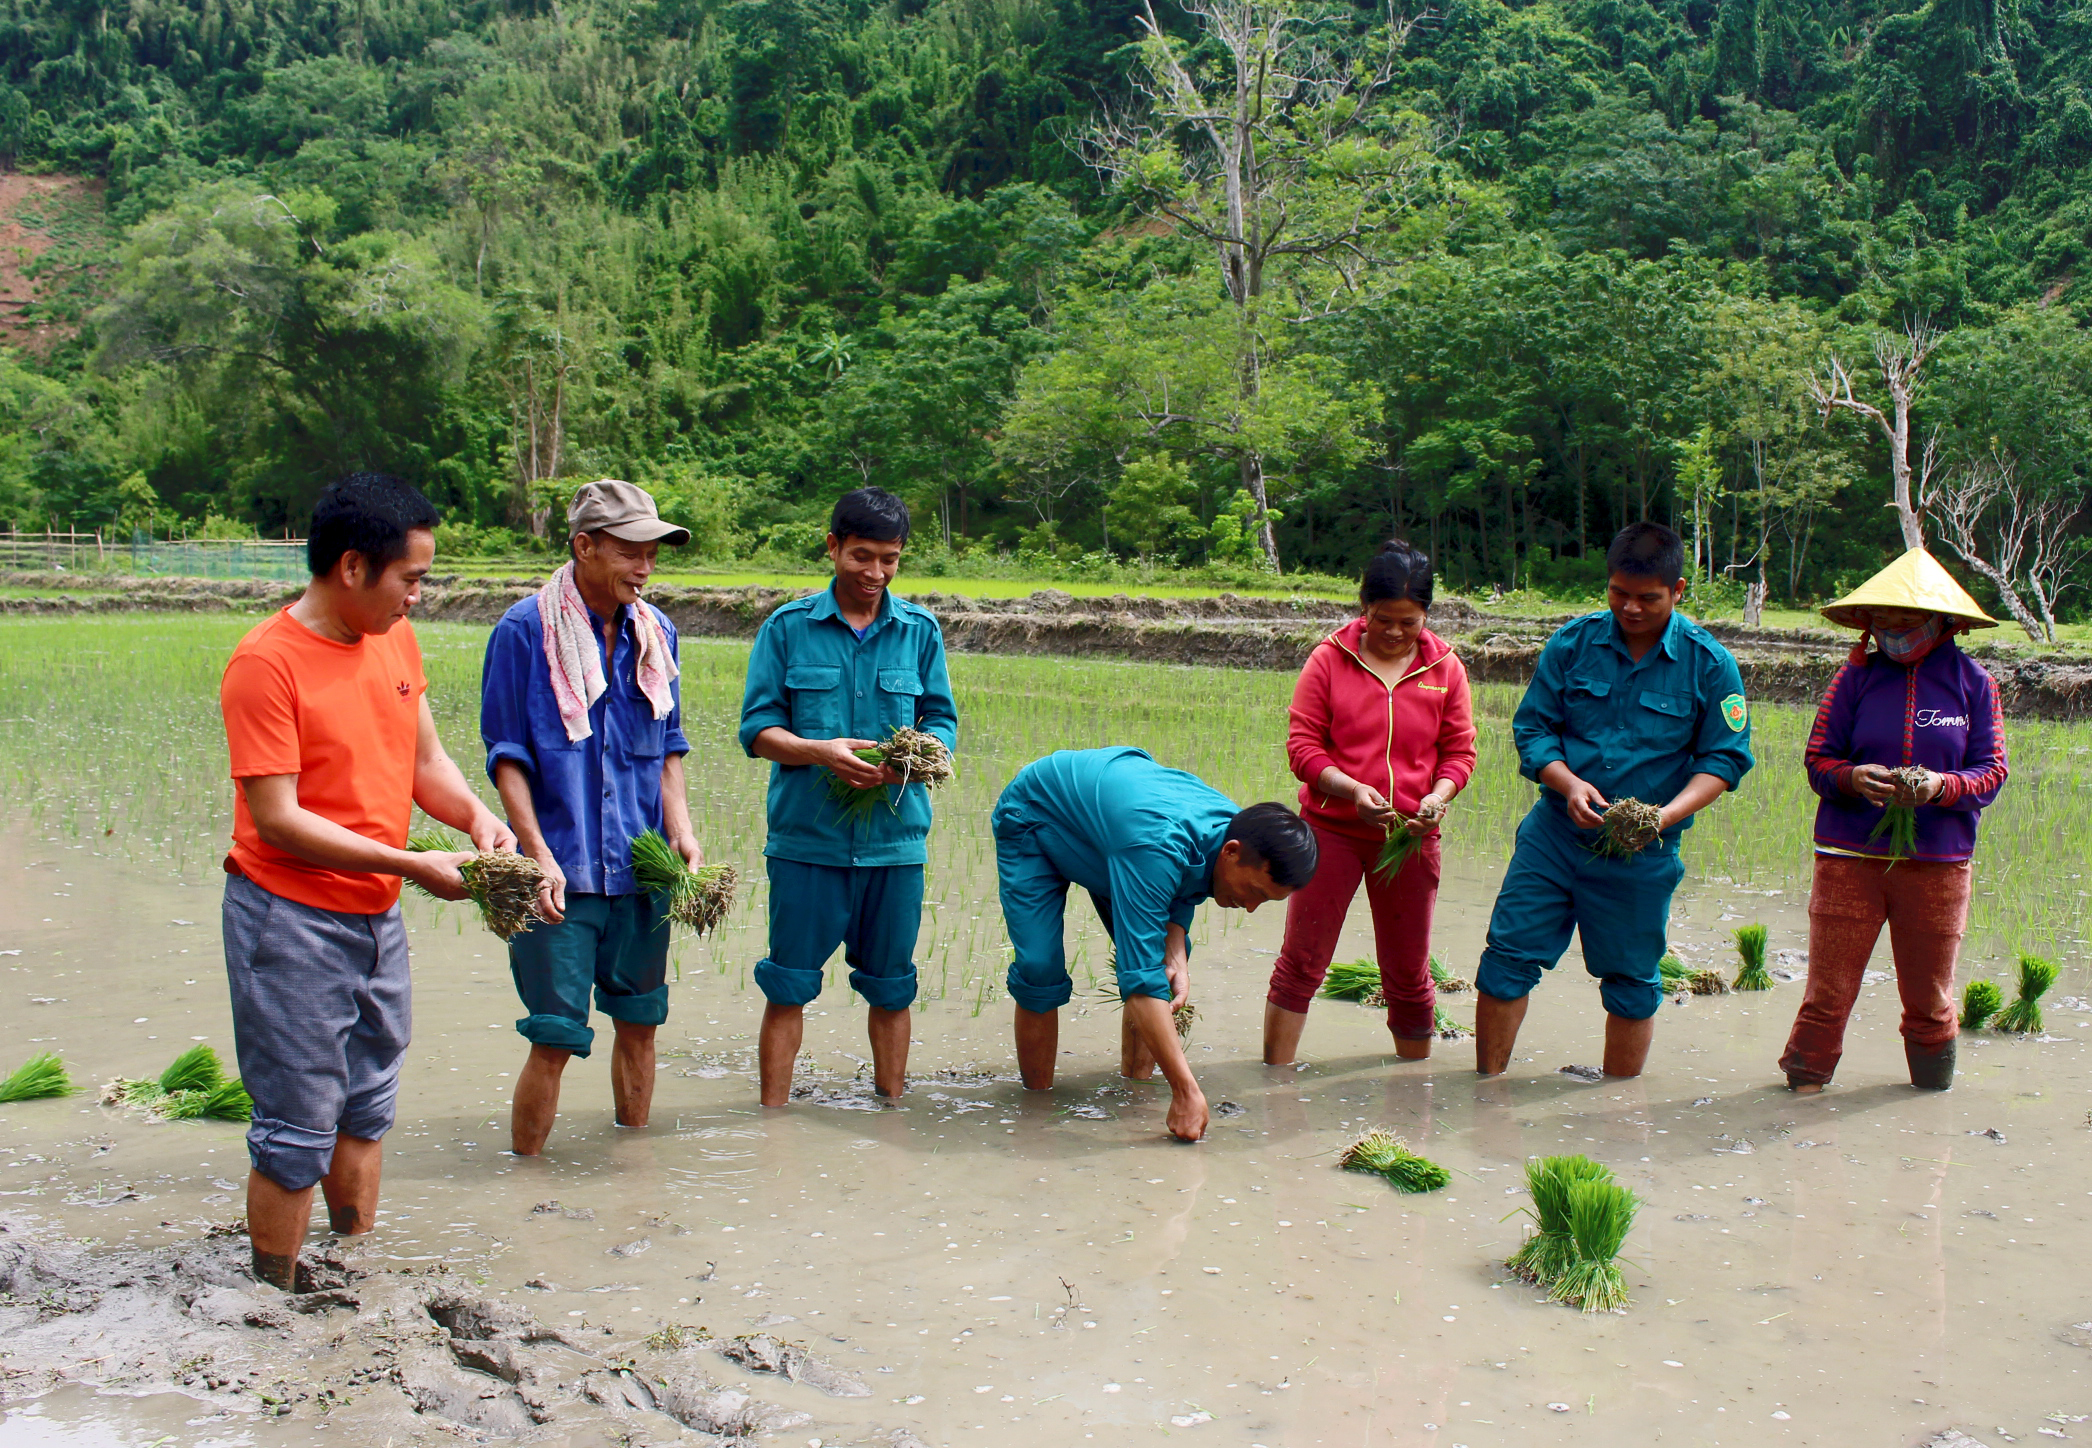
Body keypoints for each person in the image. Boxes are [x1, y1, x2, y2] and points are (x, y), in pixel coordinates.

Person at [218, 473, 511, 1290]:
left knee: (368, 1099)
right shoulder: (266, 665)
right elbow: (277, 817)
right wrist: (412, 865)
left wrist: (476, 821)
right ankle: (273, 1290)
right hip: (289, 918)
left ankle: (351, 1260)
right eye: (411, 578)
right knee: (297, 1120)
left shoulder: (392, 641)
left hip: (373, 916)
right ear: (353, 567)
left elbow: (424, 761)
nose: (418, 597)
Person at [1472, 522, 1755, 1079]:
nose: (1629, 608)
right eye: (1618, 593)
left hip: (1642, 853)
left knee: (1631, 980)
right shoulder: (1573, 644)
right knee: (1506, 960)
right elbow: (1534, 730)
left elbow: (1724, 760)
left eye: (1646, 598)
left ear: (1677, 591)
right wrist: (1568, 783)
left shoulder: (1709, 664)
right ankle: (1487, 1089)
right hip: (1554, 836)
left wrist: (1664, 817)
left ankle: (1617, 1105)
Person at [480, 480, 702, 1155]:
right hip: (561, 874)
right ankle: (527, 1185)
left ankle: (632, 1170)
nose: (645, 566)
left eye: (653, 553)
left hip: (640, 869)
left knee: (640, 1021)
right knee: (554, 1035)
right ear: (584, 546)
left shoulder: (654, 632)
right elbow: (508, 755)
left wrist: (683, 830)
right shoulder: (524, 631)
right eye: (631, 551)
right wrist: (536, 853)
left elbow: (667, 745)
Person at [737, 487, 957, 1106]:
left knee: (892, 989)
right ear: (832, 546)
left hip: (895, 843)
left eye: (890, 559)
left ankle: (892, 1111)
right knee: (788, 987)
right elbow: (758, 730)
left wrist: (911, 760)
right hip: (808, 843)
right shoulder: (788, 629)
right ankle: (772, 1120)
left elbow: (941, 721)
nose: (875, 573)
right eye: (861, 556)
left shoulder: (919, 631)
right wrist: (820, 751)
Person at [994, 747, 1318, 1141]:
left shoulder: (1235, 832)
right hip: (1037, 813)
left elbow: (1186, 880)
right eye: (1253, 892)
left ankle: (1136, 1091)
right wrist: (1186, 1090)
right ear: (1232, 854)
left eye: (1265, 901)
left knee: (1164, 973)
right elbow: (1140, 979)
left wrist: (1176, 945)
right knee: (1040, 968)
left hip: (1114, 835)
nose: (1249, 908)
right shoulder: (1157, 843)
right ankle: (1036, 1110)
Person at [1779, 548, 2009, 1093]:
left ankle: (1931, 1102)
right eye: (1884, 623)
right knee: (1827, 992)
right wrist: (1853, 777)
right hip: (1848, 859)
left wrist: (1940, 787)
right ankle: (1803, 1093)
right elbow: (1818, 760)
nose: (1895, 633)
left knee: (1930, 996)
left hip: (1938, 865)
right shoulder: (1852, 681)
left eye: (1908, 623)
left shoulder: (1975, 686)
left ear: (1942, 623)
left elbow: (1992, 771)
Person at [1265, 539, 1477, 1065]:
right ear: (1365, 608)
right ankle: (1276, 1075)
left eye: (1410, 621)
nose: (1396, 632)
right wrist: (1352, 789)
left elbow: (1459, 753)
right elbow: (1303, 747)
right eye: (1384, 619)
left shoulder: (1446, 668)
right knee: (1303, 961)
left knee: (1408, 970)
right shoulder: (1329, 659)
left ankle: (1413, 1087)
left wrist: (1438, 794)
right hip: (1331, 831)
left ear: (1427, 613)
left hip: (1409, 836)